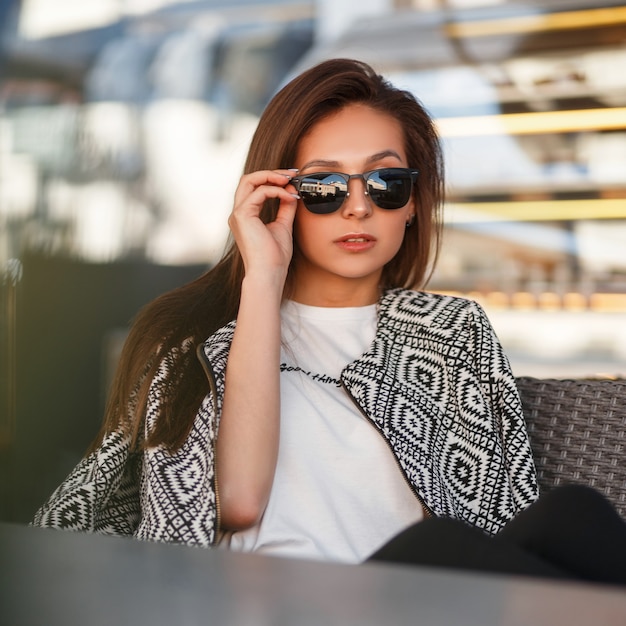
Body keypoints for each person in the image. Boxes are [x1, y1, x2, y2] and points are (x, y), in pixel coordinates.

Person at [33, 58, 626, 585]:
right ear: (278, 194)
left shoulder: (451, 331)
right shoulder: (196, 343)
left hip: (430, 597)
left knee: (573, 514)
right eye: (323, 184)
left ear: (414, 202)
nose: (358, 204)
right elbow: (237, 504)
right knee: (439, 545)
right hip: (274, 600)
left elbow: (502, 514)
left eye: (387, 181)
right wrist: (262, 280)